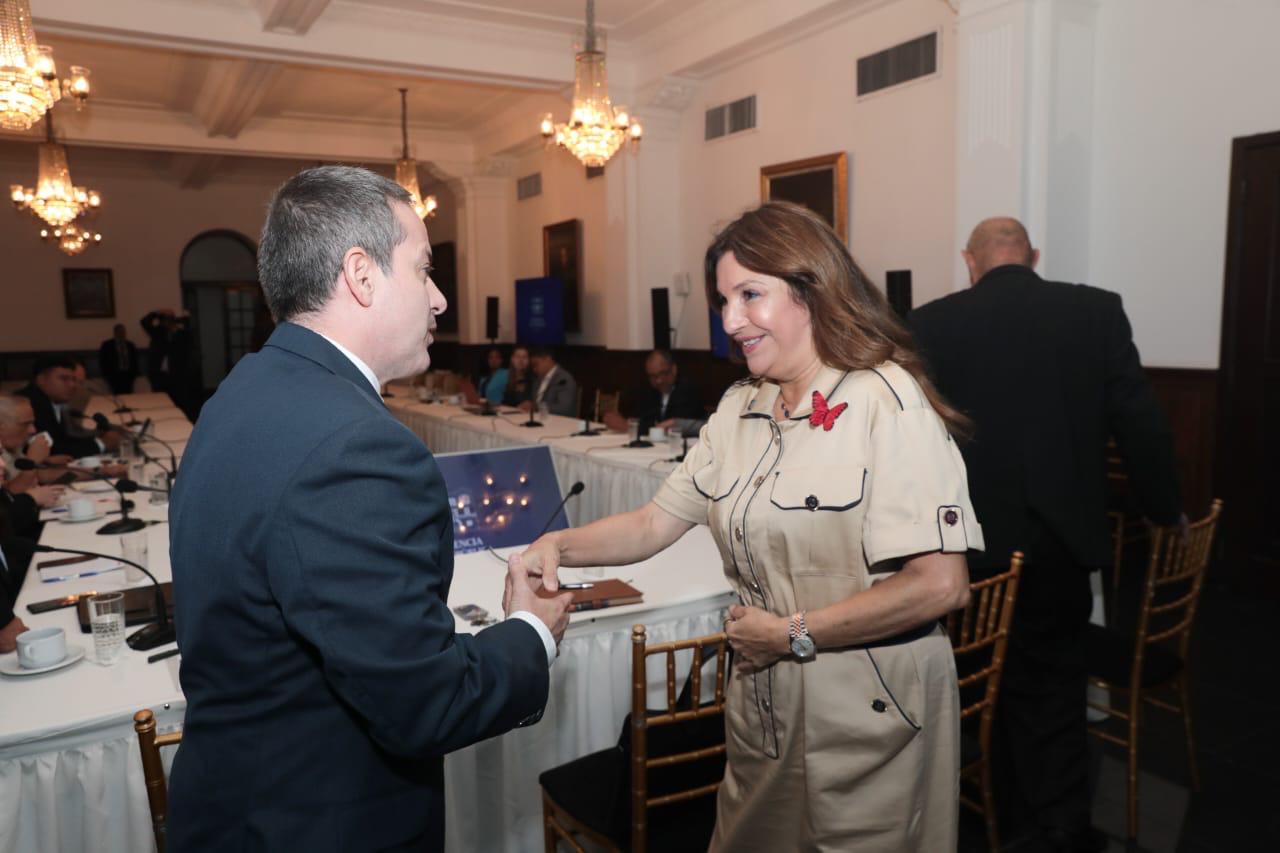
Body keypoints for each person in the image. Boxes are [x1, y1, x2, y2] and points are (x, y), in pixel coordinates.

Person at [512, 201, 983, 851]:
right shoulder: (739, 408)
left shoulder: (887, 401)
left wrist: (791, 633)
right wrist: (557, 544)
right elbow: (651, 523)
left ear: (811, 289)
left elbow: (939, 584)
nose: (730, 321)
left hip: (871, 716)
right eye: (724, 301)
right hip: (764, 708)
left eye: (749, 295)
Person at [167, 165, 572, 852]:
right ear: (361, 274)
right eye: (424, 269)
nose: (440, 298)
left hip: (235, 801)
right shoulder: (356, 444)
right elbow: (426, 702)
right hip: (318, 822)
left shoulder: (243, 388)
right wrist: (534, 630)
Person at [909, 217, 1183, 853]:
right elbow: (1141, 424)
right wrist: (1163, 509)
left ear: (970, 261)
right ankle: (1059, 822)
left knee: (982, 678)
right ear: (1032, 255)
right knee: (1056, 680)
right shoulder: (1095, 311)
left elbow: (914, 439)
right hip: (1062, 539)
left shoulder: (931, 323)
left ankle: (992, 810)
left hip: (974, 545)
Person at [15, 356, 120, 459]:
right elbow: (51, 449)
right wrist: (101, 444)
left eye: (73, 379)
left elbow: (63, 439)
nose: (72, 385)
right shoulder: (29, 404)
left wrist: (99, 439)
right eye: (64, 379)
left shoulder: (51, 401)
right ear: (41, 380)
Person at [603, 349, 706, 436]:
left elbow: (671, 426)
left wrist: (629, 427)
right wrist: (627, 422)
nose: (658, 381)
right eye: (653, 376)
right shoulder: (649, 390)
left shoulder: (688, 390)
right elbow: (642, 418)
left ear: (674, 369)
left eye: (662, 373)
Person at [523, 347, 578, 417]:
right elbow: (534, 401)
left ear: (548, 359)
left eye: (536, 364)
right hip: (537, 418)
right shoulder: (538, 379)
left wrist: (536, 407)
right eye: (533, 366)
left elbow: (564, 409)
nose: (534, 369)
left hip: (559, 421)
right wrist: (528, 404)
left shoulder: (564, 379)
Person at [99, 323, 139, 395]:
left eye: (123, 332)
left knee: (128, 395)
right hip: (114, 375)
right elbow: (103, 361)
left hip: (128, 375)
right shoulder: (107, 345)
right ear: (115, 333)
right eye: (120, 332)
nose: (122, 334)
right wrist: (106, 374)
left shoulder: (130, 345)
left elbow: (134, 360)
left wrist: (134, 373)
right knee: (116, 394)